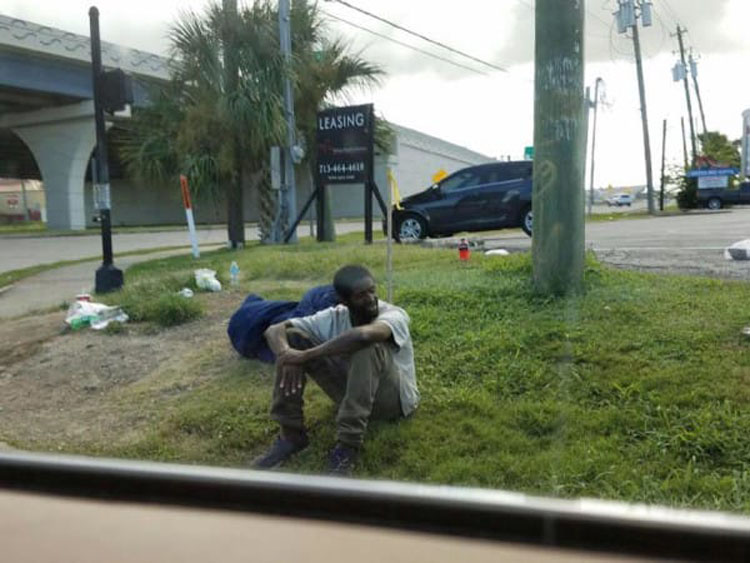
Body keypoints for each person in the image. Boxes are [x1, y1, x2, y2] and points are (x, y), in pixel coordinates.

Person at [253, 265, 419, 475]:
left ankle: (347, 447)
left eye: (372, 291)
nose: (370, 299)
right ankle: (291, 435)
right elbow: (273, 330)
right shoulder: (334, 316)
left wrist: (305, 355)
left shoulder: (394, 314)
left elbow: (363, 336)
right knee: (293, 338)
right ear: (343, 300)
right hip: (352, 392)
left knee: (367, 346)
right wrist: (286, 353)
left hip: (393, 401)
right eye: (360, 295)